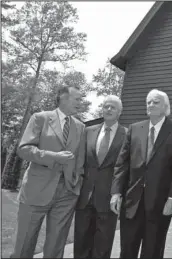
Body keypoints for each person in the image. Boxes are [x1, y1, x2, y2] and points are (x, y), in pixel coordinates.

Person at [110, 89, 172, 258]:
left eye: (156, 102)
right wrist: (116, 192)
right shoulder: (135, 128)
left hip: (160, 204)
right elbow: (122, 164)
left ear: (165, 106)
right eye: (149, 102)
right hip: (132, 202)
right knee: (127, 251)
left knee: (153, 251)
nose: (151, 105)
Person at [11, 85, 85, 258]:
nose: (81, 103)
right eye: (77, 99)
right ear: (63, 98)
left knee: (56, 247)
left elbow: (80, 159)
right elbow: (24, 149)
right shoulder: (40, 118)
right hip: (36, 190)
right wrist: (53, 156)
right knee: (24, 244)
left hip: (67, 193)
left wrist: (76, 183)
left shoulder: (81, 126)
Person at [74, 95, 127, 258]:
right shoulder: (88, 131)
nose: (108, 109)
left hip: (108, 199)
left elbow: (126, 167)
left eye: (112, 107)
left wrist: (118, 193)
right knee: (81, 242)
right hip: (85, 196)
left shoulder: (127, 134)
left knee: (102, 246)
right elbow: (80, 161)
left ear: (120, 112)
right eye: (106, 106)